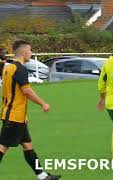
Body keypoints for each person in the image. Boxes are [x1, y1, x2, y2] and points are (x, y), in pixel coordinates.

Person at [0, 40, 61, 180]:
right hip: (14, 115)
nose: (31, 53)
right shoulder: (19, 68)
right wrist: (43, 103)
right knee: (2, 147)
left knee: (28, 146)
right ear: (23, 52)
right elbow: (27, 91)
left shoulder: (8, 67)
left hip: (16, 115)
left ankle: (42, 176)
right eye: (30, 50)